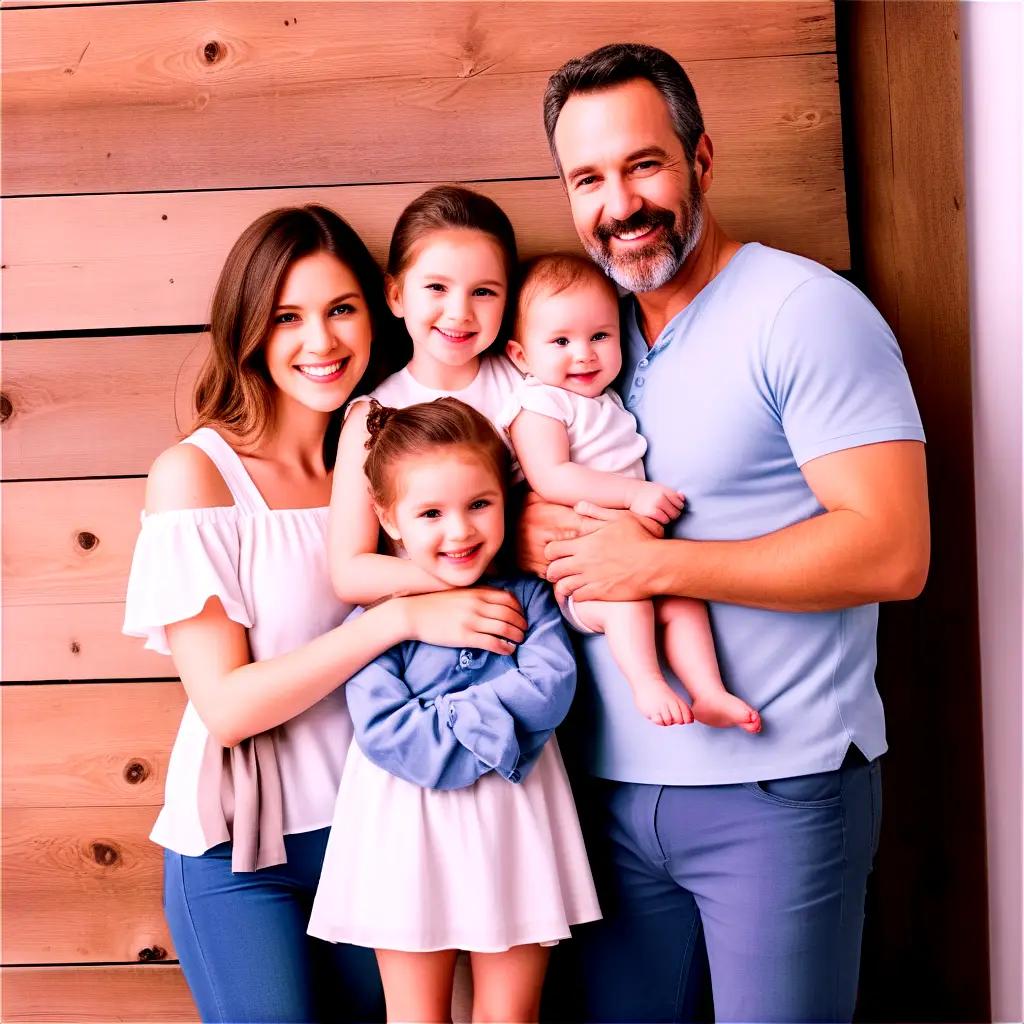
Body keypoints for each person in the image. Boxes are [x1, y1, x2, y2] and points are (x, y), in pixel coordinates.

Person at [523, 44, 930, 1023]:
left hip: (779, 794)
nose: (619, 203)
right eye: (588, 179)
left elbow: (892, 550)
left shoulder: (806, 313)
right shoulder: (590, 337)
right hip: (611, 792)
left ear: (700, 158)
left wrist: (654, 561)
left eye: (643, 164)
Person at [122, 206, 528, 1024]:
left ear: (375, 313)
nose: (322, 341)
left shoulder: (395, 461)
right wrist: (396, 620)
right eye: (287, 317)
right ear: (247, 328)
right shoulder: (197, 477)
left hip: (385, 829)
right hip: (244, 855)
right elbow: (227, 706)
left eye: (340, 310)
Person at [308, 398, 601, 1024]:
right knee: (415, 1015)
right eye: (431, 513)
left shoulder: (527, 597)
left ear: (505, 497)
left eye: (479, 504)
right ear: (389, 518)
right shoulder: (380, 620)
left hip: (515, 815)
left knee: (511, 1014)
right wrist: (487, 725)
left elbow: (550, 684)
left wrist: (446, 717)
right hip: (405, 820)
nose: (460, 532)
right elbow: (388, 732)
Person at [503, 252, 760, 732]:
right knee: (631, 603)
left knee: (684, 600)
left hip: (635, 559)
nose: (584, 353)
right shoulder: (539, 403)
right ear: (522, 356)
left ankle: (708, 691)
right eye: (560, 341)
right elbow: (552, 476)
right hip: (584, 579)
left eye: (600, 336)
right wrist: (632, 495)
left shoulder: (605, 399)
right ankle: (647, 682)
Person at [328, 184, 524, 608]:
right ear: (396, 295)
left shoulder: (528, 389)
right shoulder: (370, 417)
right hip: (426, 629)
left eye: (484, 291)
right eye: (437, 287)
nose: (459, 312)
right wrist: (455, 576)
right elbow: (349, 572)